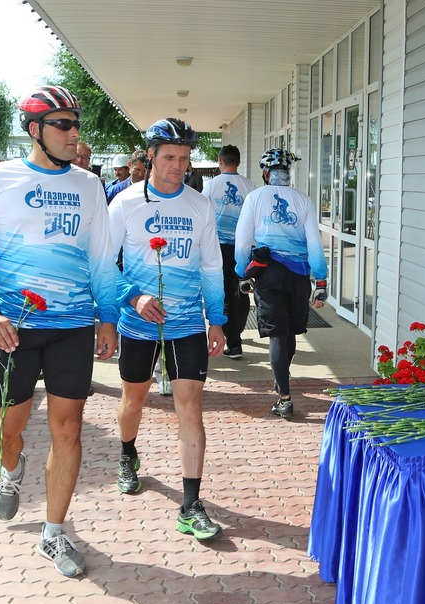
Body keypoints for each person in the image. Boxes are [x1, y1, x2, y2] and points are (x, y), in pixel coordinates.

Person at [0, 85, 119, 578]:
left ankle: (53, 533)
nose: (75, 134)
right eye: (63, 125)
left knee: (67, 429)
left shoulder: (89, 186)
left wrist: (108, 316)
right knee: (2, 435)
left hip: (72, 326)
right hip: (14, 328)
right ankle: (11, 470)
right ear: (35, 130)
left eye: (77, 124)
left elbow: (101, 259)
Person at [108, 117, 226, 541]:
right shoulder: (124, 203)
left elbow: (213, 267)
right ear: (150, 157)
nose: (179, 166)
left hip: (188, 324)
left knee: (190, 408)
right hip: (138, 325)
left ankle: (191, 504)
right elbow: (104, 264)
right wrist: (133, 297)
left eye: (185, 158)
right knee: (133, 401)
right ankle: (127, 454)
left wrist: (218, 320)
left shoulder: (200, 205)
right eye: (171, 157)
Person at [234, 149, 328, 419]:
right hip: (299, 274)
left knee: (277, 332)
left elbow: (242, 241)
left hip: (269, 273)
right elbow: (314, 243)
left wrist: (242, 273)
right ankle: (282, 380)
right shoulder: (303, 200)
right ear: (289, 173)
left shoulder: (254, 198)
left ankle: (283, 396)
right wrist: (320, 279)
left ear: (266, 173)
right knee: (288, 333)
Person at [201, 145, 256, 359]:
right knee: (240, 292)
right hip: (244, 248)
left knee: (222, 292)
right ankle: (236, 334)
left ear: (220, 161)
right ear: (238, 162)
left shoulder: (211, 185)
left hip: (218, 248)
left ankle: (233, 341)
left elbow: (202, 215)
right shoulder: (249, 186)